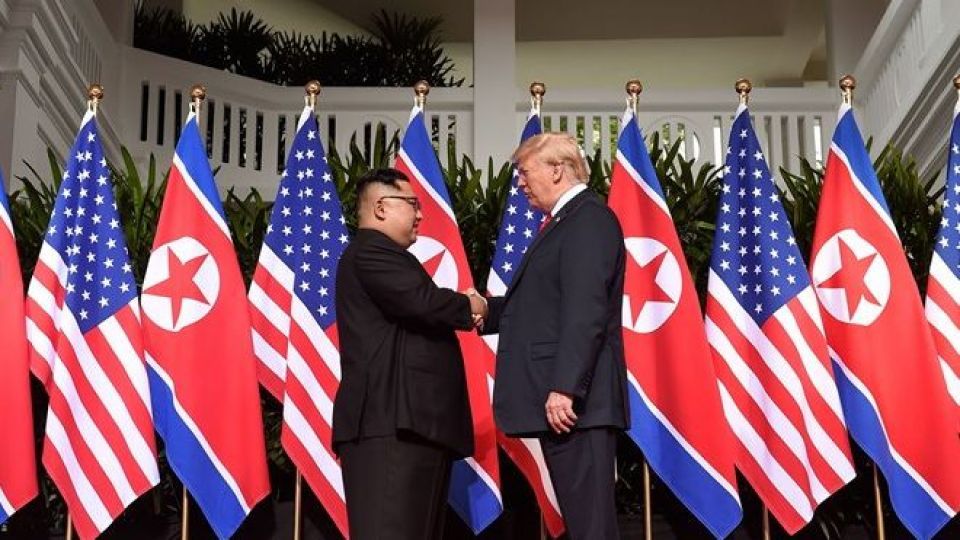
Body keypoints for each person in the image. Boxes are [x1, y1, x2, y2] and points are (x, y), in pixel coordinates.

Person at [479, 132, 629, 539]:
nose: (520, 183)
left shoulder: (588, 220)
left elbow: (585, 310)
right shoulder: (568, 221)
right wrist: (485, 311)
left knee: (592, 528)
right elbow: (542, 307)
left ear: (558, 170)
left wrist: (564, 386)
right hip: (569, 407)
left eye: (525, 172)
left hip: (577, 405)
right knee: (584, 525)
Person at [332, 168, 487, 540]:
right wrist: (472, 305)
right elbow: (424, 302)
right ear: (381, 207)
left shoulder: (383, 254)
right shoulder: (371, 250)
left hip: (410, 426)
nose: (420, 214)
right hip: (389, 426)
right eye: (412, 204)